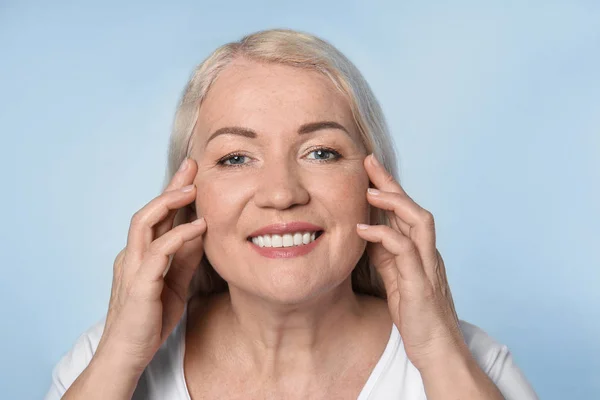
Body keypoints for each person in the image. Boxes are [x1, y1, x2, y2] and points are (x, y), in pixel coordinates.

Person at [45, 29, 539, 400]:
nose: (281, 194)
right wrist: (120, 358)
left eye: (321, 152)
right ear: (187, 195)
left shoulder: (471, 364)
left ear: (374, 185)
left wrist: (437, 348)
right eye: (235, 158)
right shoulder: (102, 363)